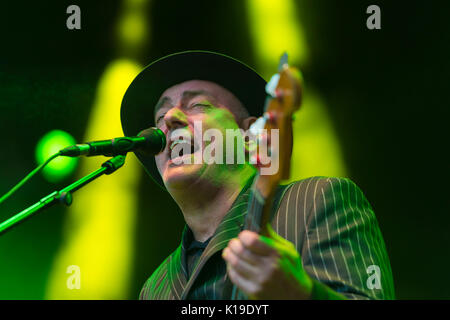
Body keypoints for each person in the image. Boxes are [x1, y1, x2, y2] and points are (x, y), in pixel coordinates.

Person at [120, 50, 395, 300]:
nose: (169, 118)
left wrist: (301, 295)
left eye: (199, 106)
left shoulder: (316, 201)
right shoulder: (154, 287)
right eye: (159, 117)